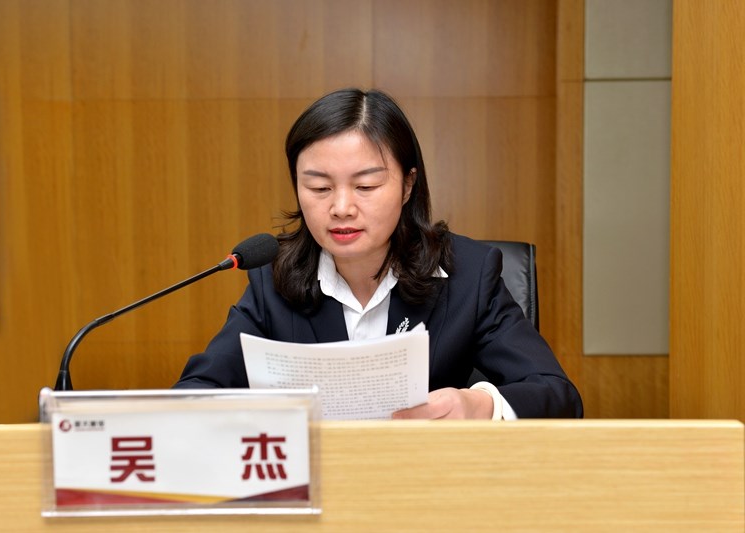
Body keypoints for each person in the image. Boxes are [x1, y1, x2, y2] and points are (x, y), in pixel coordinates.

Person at [175, 88, 583, 419]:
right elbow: (196, 392)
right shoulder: (273, 277)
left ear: (407, 185)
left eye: (366, 186)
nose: (341, 208)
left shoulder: (468, 275)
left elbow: (557, 394)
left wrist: (480, 405)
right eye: (319, 188)